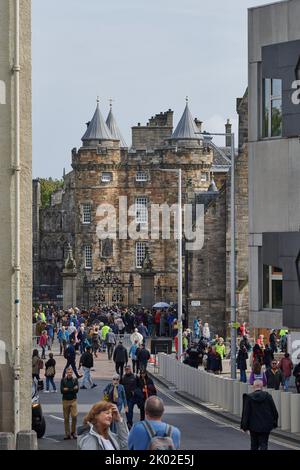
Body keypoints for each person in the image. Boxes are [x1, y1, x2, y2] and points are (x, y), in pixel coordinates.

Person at [241, 379, 278, 450]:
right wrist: (274, 423)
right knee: (264, 444)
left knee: (254, 445)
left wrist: (244, 426)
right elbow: (274, 411)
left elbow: (246, 413)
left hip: (253, 426)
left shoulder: (249, 397)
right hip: (265, 426)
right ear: (262, 387)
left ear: (253, 387)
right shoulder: (268, 396)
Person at [60, 367, 79, 440]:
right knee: (66, 418)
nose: (69, 374)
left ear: (72, 373)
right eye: (68, 372)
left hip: (73, 400)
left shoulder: (75, 380)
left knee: (74, 416)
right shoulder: (63, 380)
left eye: (71, 372)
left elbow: (76, 390)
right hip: (65, 400)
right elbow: (62, 391)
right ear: (66, 373)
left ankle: (73, 432)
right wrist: (72, 389)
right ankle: (67, 434)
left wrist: (67, 389)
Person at [121, 364, 138, 430]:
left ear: (130, 369)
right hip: (125, 397)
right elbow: (120, 386)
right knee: (127, 410)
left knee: (130, 410)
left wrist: (134, 391)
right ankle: (129, 422)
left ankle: (129, 422)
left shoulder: (134, 377)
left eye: (128, 369)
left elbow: (138, 385)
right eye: (126, 369)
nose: (127, 370)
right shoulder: (123, 377)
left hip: (132, 397)